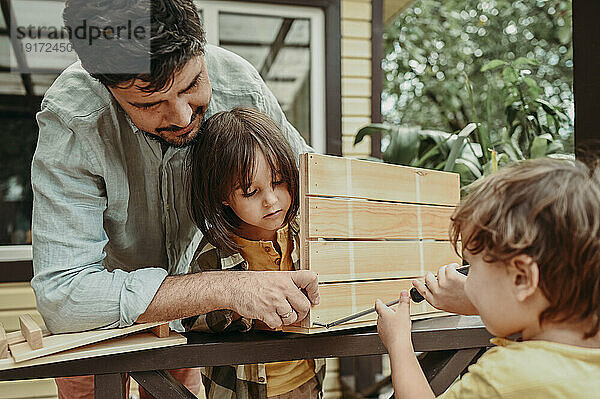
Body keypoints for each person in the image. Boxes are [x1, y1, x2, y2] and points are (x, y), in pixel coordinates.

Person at [31, 0, 318, 397]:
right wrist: (227, 288)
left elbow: (317, 190)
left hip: (186, 328)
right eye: (149, 104)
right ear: (107, 86)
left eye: (192, 85)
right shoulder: (74, 117)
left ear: (200, 47)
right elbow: (64, 296)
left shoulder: (241, 84)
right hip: (95, 328)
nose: (183, 118)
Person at [375, 158, 600, 398]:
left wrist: (398, 342)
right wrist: (478, 304)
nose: (466, 282)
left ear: (522, 278)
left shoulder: (504, 378)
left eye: (469, 267)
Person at [184, 107, 324, 399]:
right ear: (222, 196)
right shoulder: (213, 254)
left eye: (279, 182)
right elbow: (194, 320)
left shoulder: (307, 234)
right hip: (243, 392)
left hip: (308, 379)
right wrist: (248, 312)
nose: (271, 201)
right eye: (250, 192)